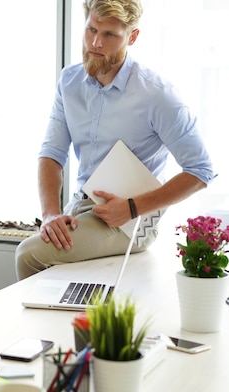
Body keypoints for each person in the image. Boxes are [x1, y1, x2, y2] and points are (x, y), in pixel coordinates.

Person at [15, 0, 215, 280]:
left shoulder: (158, 95)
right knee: (49, 252)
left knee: (29, 254)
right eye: (91, 30)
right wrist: (50, 213)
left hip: (131, 222)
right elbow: (52, 152)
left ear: (132, 37)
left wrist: (132, 208)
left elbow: (200, 171)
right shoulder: (69, 82)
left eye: (110, 35)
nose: (95, 43)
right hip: (82, 207)